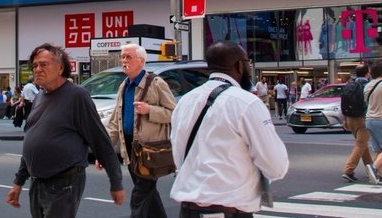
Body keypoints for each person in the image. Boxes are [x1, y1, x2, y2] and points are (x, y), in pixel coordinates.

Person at [170, 41, 288, 218]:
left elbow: (179, 156)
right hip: (230, 208)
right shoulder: (246, 103)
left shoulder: (185, 101)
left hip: (190, 209)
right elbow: (274, 166)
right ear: (240, 65)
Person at [6, 43, 124, 217]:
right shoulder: (40, 97)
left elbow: (100, 141)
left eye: (43, 64)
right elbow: (31, 142)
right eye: (35, 66)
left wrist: (116, 182)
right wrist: (18, 183)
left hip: (63, 184)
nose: (37, 69)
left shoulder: (77, 95)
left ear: (60, 68)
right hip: (37, 184)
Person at [105, 44, 176, 218]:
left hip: (150, 150)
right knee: (148, 194)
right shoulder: (124, 86)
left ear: (141, 61)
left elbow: (174, 113)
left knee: (140, 194)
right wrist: (104, 150)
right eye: (122, 57)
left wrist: (150, 110)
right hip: (130, 149)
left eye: (128, 57)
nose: (123, 61)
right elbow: (115, 121)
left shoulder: (156, 84)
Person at [341, 64, 378, 184]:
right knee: (361, 145)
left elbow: (343, 103)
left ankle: (371, 169)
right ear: (368, 74)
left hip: (350, 118)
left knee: (363, 145)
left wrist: (345, 120)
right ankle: (348, 170)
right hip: (363, 118)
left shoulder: (349, 85)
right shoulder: (367, 86)